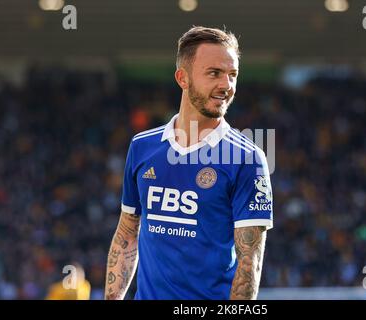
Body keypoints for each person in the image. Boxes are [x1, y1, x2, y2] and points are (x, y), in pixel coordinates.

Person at [104, 26, 273, 300]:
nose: (226, 85)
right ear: (182, 78)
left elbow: (249, 262)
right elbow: (127, 234)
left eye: (232, 75)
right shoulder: (142, 147)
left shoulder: (247, 159)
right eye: (214, 73)